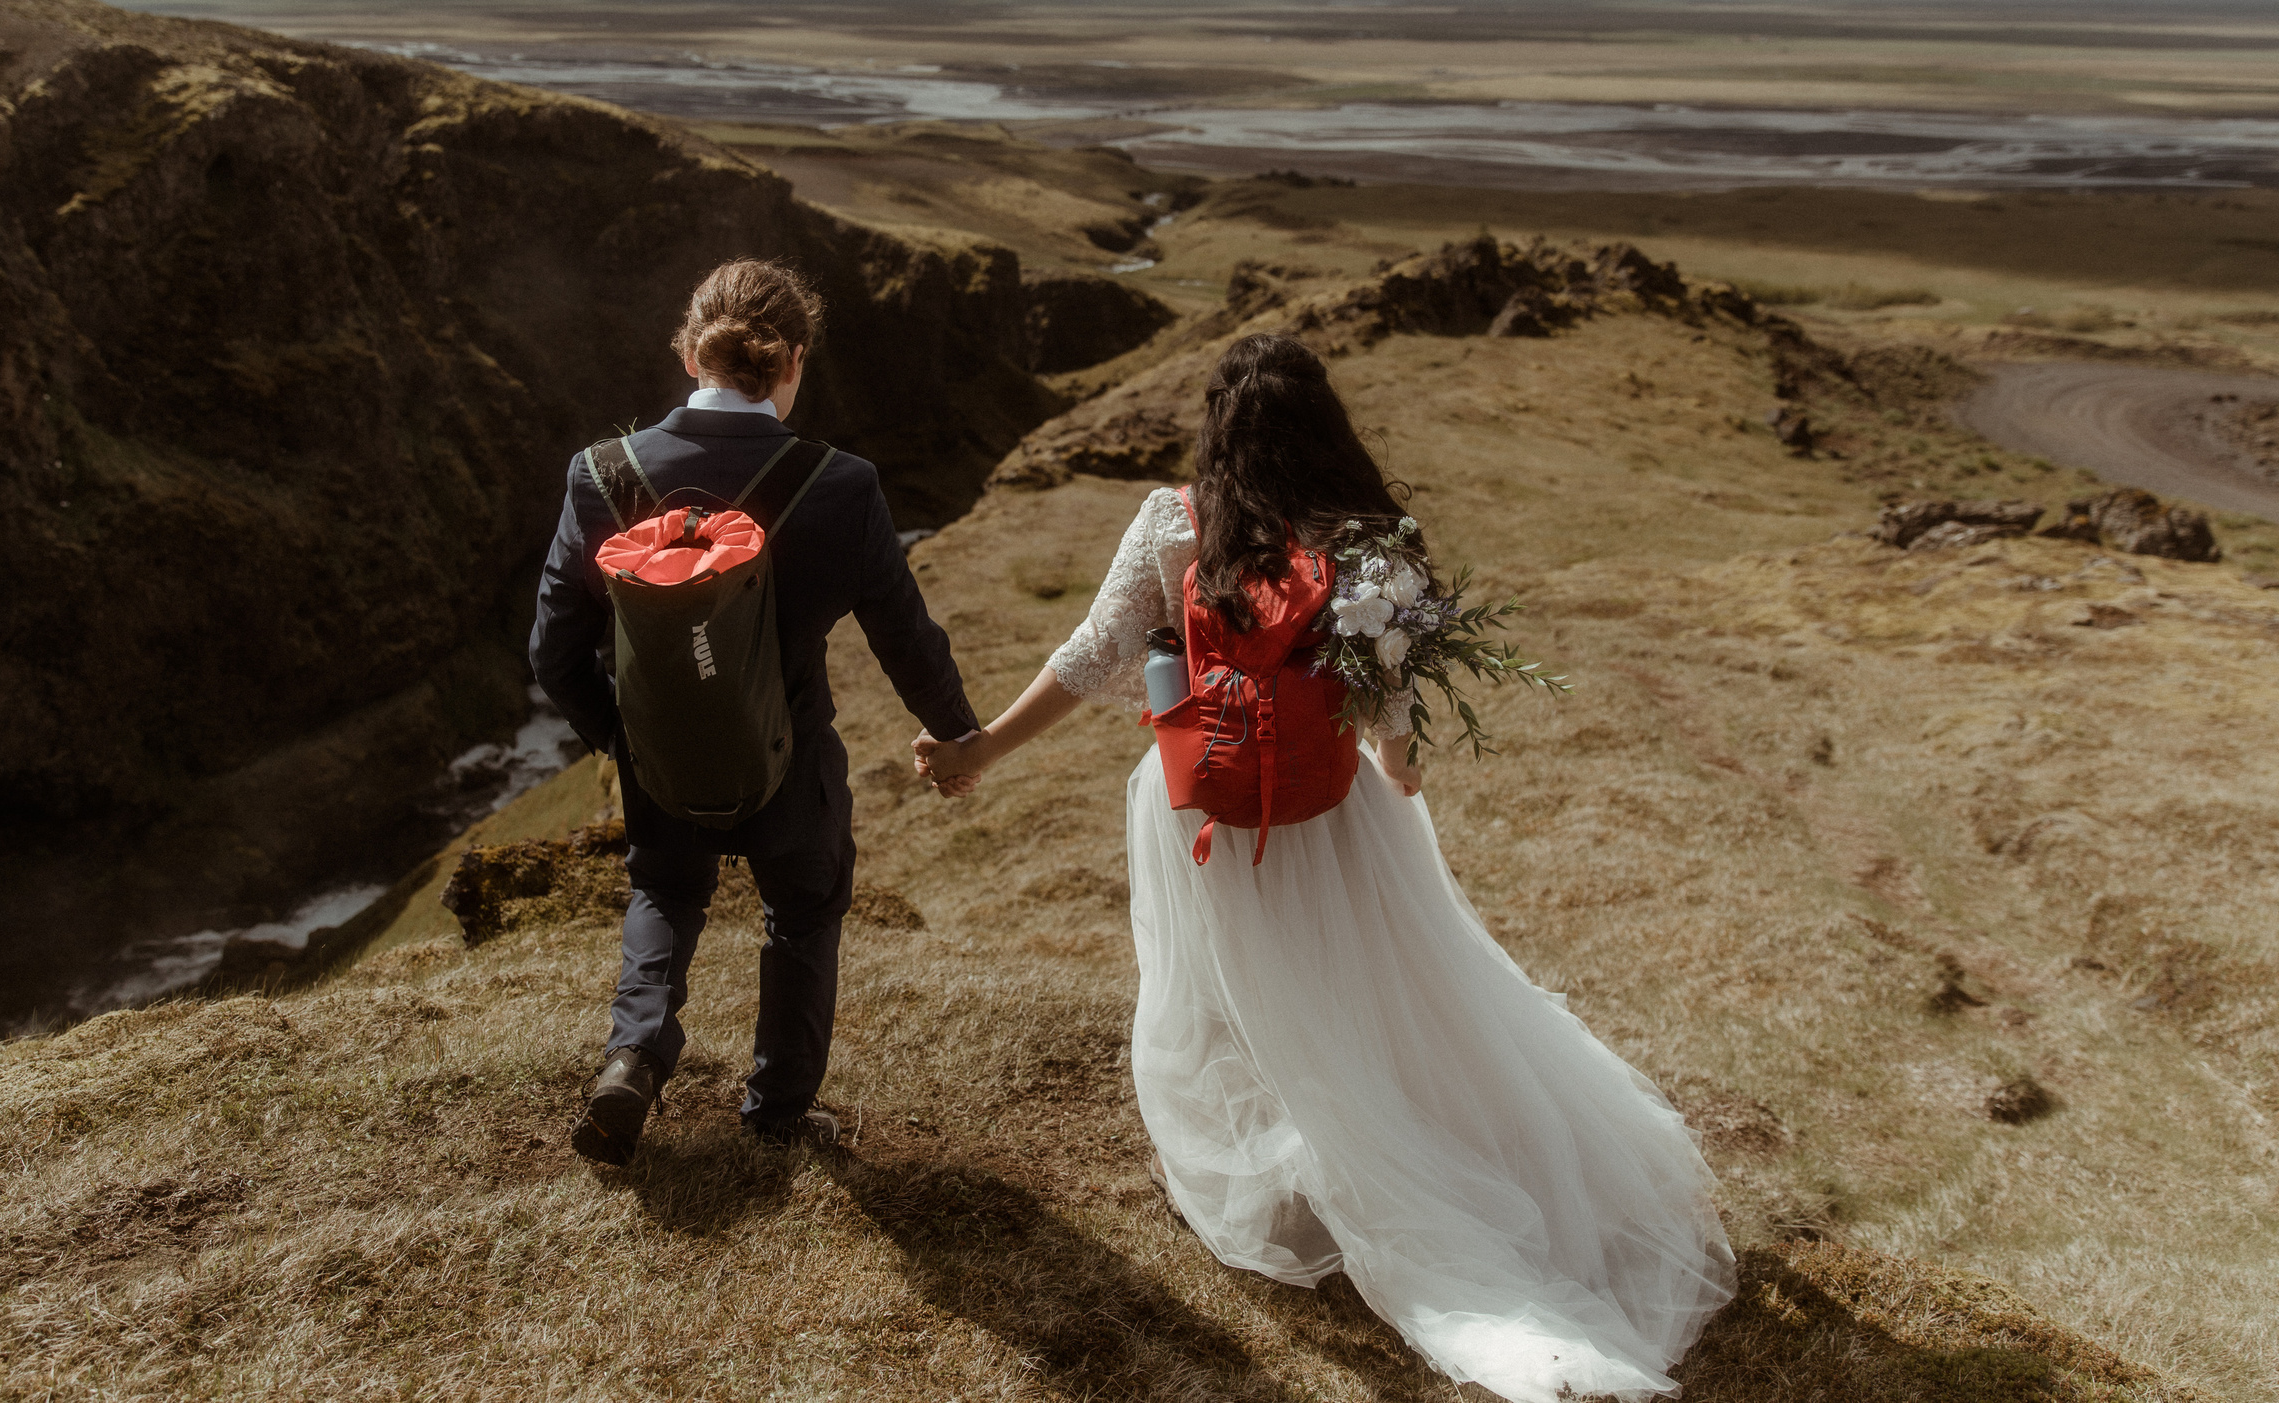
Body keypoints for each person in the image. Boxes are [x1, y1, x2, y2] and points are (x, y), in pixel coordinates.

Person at [913, 332, 1735, 1403]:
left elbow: (1095, 651)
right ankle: (1400, 1160)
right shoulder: (1373, 542)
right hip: (1333, 810)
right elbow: (1393, 732)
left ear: (1217, 429)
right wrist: (1399, 763)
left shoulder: (1177, 524)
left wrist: (982, 750)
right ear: (1326, 428)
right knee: (1373, 996)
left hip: (1201, 811)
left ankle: (1274, 1179)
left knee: (1215, 1000)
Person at [532, 258, 981, 1164]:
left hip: (662, 762)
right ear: (793, 361)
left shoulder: (601, 473)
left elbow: (551, 652)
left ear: (689, 349)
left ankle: (632, 1059)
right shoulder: (842, 484)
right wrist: (958, 735)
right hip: (792, 764)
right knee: (804, 911)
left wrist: (627, 739)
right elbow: (906, 636)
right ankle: (778, 1108)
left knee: (665, 890)